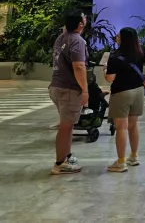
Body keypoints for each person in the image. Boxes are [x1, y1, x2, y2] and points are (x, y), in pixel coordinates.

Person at [105, 27, 145, 173]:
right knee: (133, 126)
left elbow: (110, 78)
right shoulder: (140, 50)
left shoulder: (115, 56)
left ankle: (121, 162)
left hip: (121, 93)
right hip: (138, 91)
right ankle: (133, 156)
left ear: (122, 38)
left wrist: (104, 70)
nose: (116, 37)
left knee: (121, 127)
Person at [49, 9, 89, 175]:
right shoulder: (77, 41)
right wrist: (85, 90)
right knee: (66, 127)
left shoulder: (62, 37)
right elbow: (79, 67)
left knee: (68, 124)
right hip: (69, 89)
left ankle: (67, 156)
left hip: (56, 86)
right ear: (80, 24)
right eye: (84, 18)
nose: (86, 19)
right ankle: (60, 163)